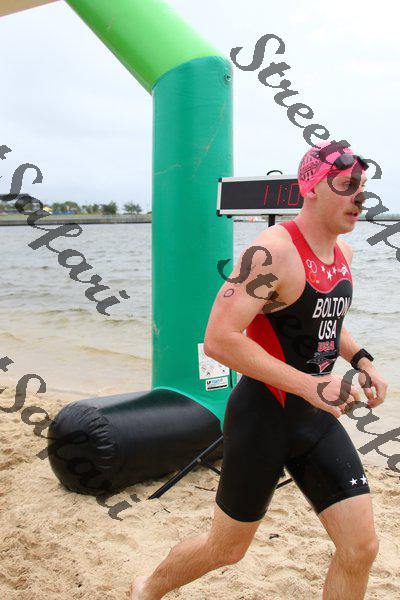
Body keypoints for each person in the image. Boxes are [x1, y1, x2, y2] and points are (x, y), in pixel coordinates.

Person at [131, 140, 388, 599]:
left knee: (361, 548)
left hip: (315, 421)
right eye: (347, 185)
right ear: (311, 187)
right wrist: (309, 384)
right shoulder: (270, 253)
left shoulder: (343, 254)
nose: (359, 197)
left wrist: (362, 360)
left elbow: (324, 322)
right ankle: (147, 588)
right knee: (226, 549)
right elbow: (220, 339)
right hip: (262, 419)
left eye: (363, 188)